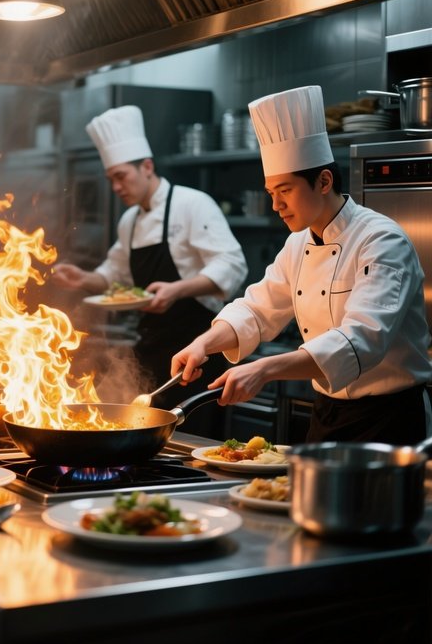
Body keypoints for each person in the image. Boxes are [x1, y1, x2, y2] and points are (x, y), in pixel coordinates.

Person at [173, 85, 432, 445]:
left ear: (324, 181)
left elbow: (362, 339)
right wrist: (204, 343)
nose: (276, 205)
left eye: (286, 190)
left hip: (389, 421)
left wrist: (265, 369)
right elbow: (258, 309)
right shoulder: (299, 243)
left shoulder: (382, 241)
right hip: (327, 412)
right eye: (271, 194)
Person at [51, 105, 248, 431]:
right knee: (143, 436)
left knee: (192, 441)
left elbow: (232, 263)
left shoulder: (192, 204)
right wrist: (84, 279)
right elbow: (114, 276)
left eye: (121, 176)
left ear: (146, 166)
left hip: (198, 350)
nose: (116, 187)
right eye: (111, 179)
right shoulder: (130, 221)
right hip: (152, 349)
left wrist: (177, 290)